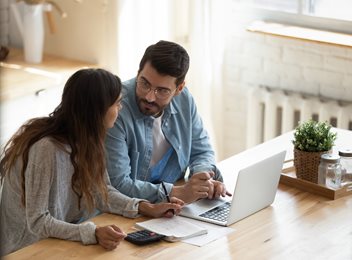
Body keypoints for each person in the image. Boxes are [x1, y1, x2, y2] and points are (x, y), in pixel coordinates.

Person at [0, 68, 183, 256]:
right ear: (97, 110)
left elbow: (101, 192)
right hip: (25, 249)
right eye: (117, 104)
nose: (120, 109)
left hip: (59, 239)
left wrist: (146, 207)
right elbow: (37, 221)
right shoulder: (46, 148)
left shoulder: (89, 139)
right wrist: (92, 233)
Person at [105, 40, 231, 204]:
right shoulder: (115, 107)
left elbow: (201, 151)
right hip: (129, 208)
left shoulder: (185, 100)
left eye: (162, 90)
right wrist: (175, 193)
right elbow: (118, 184)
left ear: (179, 89)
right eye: (144, 83)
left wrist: (202, 179)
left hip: (172, 207)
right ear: (138, 73)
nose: (149, 96)